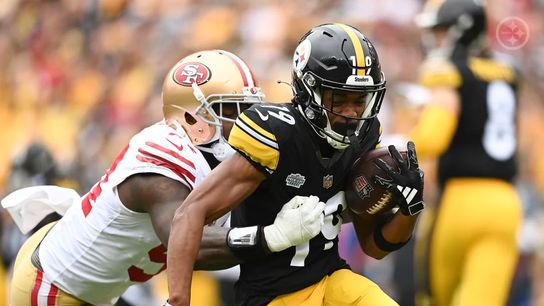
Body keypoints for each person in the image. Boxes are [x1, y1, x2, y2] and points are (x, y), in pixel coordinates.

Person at [4, 50, 326, 306]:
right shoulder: (162, 163)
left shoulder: (220, 159)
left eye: (248, 109)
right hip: (53, 284)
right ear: (190, 116)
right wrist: (270, 236)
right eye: (231, 110)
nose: (245, 121)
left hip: (102, 287)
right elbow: (189, 249)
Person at [166, 23, 426, 306]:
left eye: (360, 101)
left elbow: (374, 247)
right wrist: (177, 301)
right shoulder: (278, 135)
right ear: (309, 91)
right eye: (340, 99)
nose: (351, 113)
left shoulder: (363, 136)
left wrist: (410, 208)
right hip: (272, 295)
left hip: (333, 282)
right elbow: (190, 213)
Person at [412, 1, 523, 305]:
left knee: (434, 297)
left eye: (440, 30)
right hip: (505, 204)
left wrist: (408, 133)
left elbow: (433, 138)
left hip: (459, 202)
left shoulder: (448, 73)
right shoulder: (508, 73)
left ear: (460, 30)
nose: (435, 38)